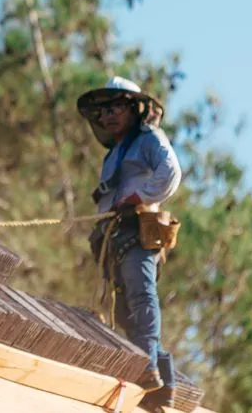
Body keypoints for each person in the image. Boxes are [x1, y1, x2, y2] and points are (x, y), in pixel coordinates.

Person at [77, 76, 181, 412]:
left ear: (134, 109)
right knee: (125, 313)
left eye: (116, 107)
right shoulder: (114, 155)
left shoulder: (148, 138)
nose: (107, 115)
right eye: (103, 110)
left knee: (141, 295)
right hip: (114, 236)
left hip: (138, 230)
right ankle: (161, 387)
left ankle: (146, 366)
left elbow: (171, 172)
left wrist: (140, 197)